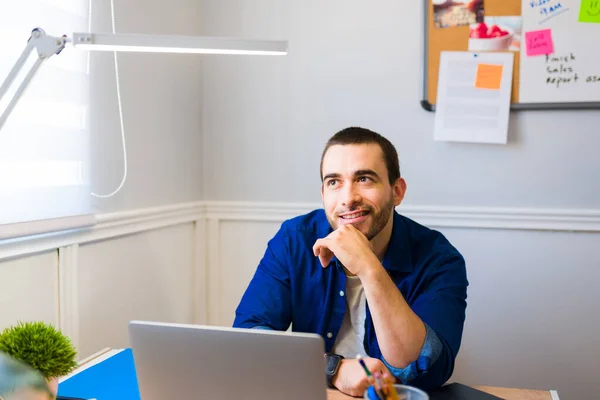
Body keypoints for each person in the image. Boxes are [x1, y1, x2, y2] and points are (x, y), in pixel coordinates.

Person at [233, 127, 468, 396]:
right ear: (323, 194)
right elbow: (249, 339)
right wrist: (333, 369)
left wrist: (369, 266)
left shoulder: (439, 258)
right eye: (334, 182)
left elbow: (424, 369)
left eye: (365, 179)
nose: (348, 198)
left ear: (397, 191)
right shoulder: (294, 240)